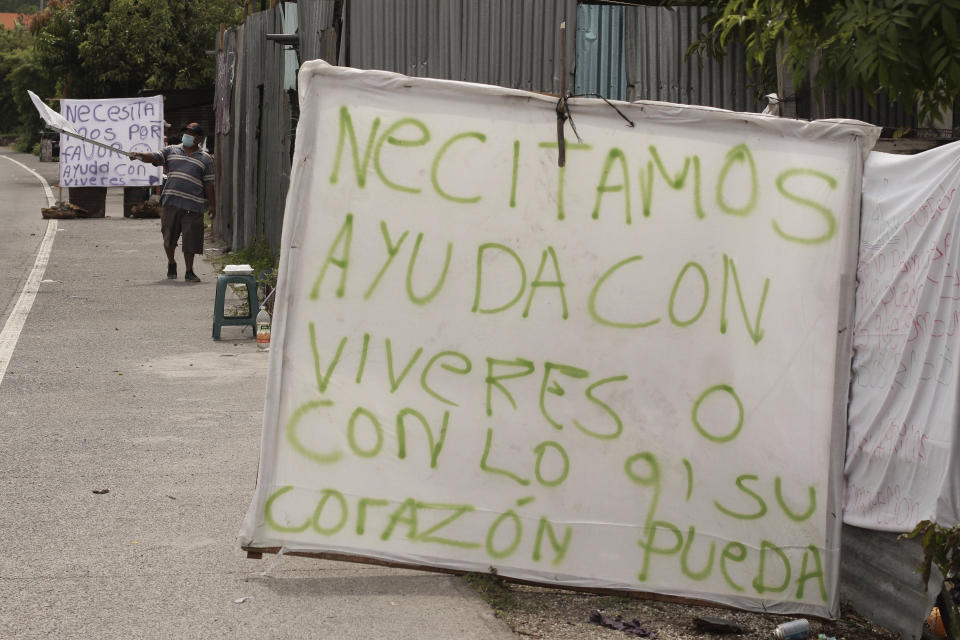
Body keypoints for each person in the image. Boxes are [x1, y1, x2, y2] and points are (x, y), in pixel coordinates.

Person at [132, 122, 215, 282]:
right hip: (171, 202)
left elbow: (209, 184)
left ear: (199, 138)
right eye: (185, 132)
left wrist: (212, 205)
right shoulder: (170, 150)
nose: (187, 136)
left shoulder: (205, 159)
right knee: (169, 236)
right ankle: (171, 262)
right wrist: (139, 155)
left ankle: (189, 271)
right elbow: (154, 157)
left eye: (191, 133)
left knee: (191, 238)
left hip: (193, 205)